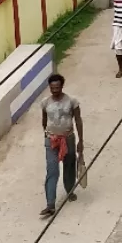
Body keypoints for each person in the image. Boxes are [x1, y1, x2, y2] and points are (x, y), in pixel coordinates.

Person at [40, 73, 83, 218]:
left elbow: (78, 120)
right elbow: (44, 121)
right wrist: (47, 135)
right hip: (51, 140)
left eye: (57, 87)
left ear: (62, 86)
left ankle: (70, 190)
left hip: (68, 138)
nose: (55, 90)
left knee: (69, 165)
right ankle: (50, 204)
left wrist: (80, 141)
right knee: (52, 170)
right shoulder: (45, 103)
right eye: (52, 88)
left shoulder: (72, 101)